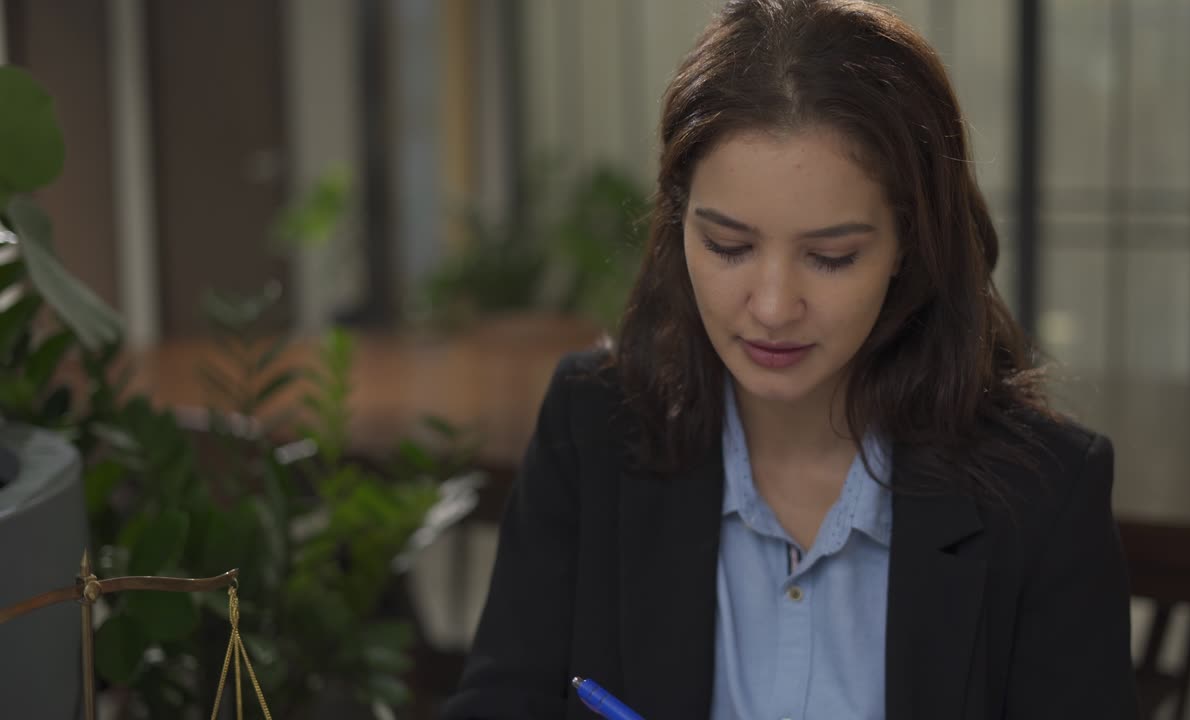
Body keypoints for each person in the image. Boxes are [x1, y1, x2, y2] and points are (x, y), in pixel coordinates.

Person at [440, 1, 1138, 718]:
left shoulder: (1043, 494)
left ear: (909, 246)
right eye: (728, 246)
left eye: (831, 256)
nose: (773, 306)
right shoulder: (593, 426)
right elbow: (500, 701)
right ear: (680, 223)